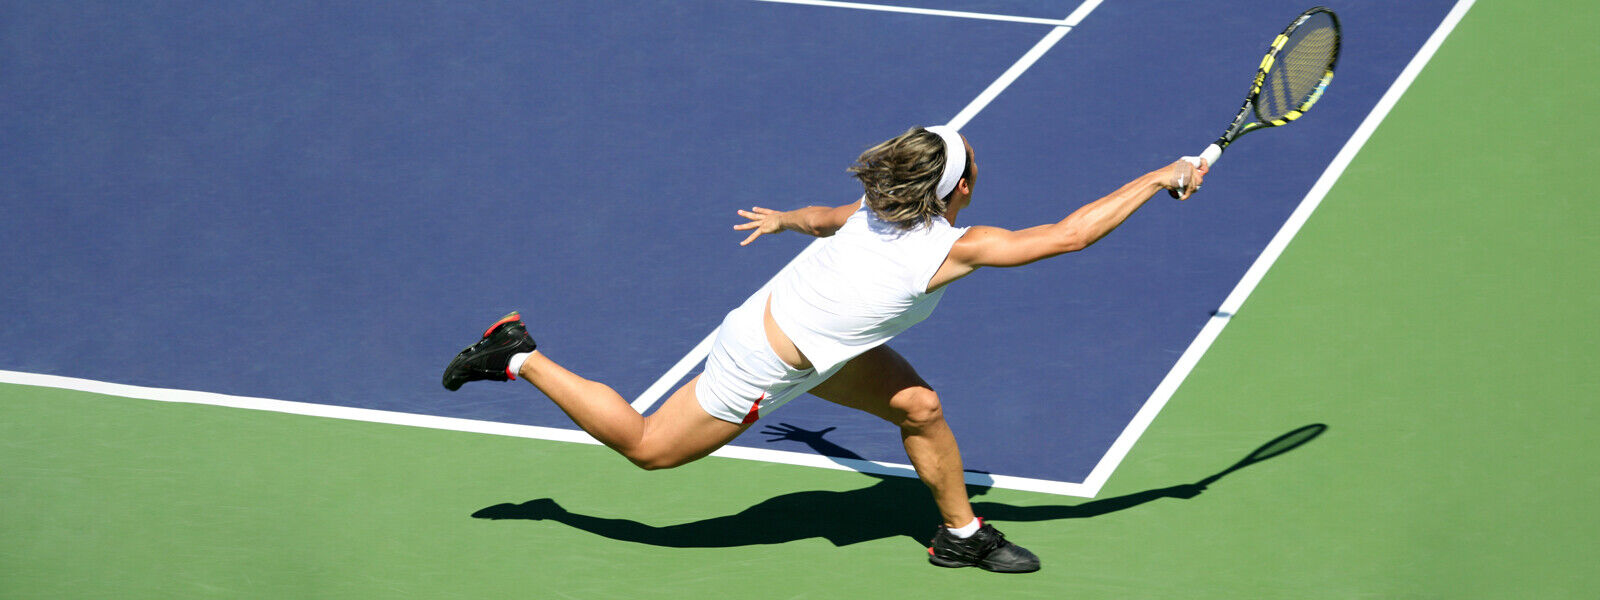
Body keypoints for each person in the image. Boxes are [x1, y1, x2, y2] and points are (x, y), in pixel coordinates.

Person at [442, 126, 1206, 573]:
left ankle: (960, 535)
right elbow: (1070, 235)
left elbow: (820, 218)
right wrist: (1160, 176)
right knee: (647, 449)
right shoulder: (951, 249)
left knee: (920, 406)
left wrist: (781, 220)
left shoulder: (877, 211)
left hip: (820, 345)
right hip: (762, 365)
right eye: (972, 165)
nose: (978, 171)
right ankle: (518, 354)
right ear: (956, 192)